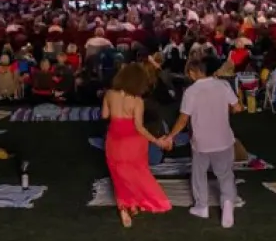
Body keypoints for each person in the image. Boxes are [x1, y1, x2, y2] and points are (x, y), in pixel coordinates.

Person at [164, 58, 242, 229]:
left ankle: (202, 206)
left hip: (202, 142)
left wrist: (170, 136)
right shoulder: (223, 86)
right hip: (223, 139)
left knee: (199, 175)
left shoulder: (191, 92)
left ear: (193, 72)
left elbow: (183, 119)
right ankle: (227, 203)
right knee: (225, 175)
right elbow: (237, 108)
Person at [102, 62, 171, 228]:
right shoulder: (138, 101)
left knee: (118, 173)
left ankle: (125, 207)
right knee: (137, 172)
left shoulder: (109, 94)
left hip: (115, 140)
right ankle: (133, 203)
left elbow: (105, 115)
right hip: (134, 143)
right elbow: (139, 127)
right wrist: (156, 141)